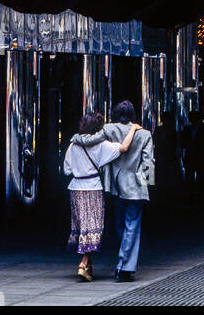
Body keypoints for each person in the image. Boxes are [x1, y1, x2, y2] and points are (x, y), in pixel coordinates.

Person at [64, 112, 139, 280]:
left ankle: (87, 265)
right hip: (93, 188)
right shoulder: (102, 145)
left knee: (83, 227)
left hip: (75, 188)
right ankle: (83, 263)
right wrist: (133, 129)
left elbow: (66, 170)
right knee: (93, 227)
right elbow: (123, 147)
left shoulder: (73, 145)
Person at [102, 101, 154, 281]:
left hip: (116, 184)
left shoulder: (109, 130)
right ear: (133, 115)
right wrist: (149, 184)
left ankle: (122, 261)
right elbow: (148, 162)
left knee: (119, 224)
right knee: (132, 224)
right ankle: (125, 267)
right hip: (136, 184)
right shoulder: (145, 134)